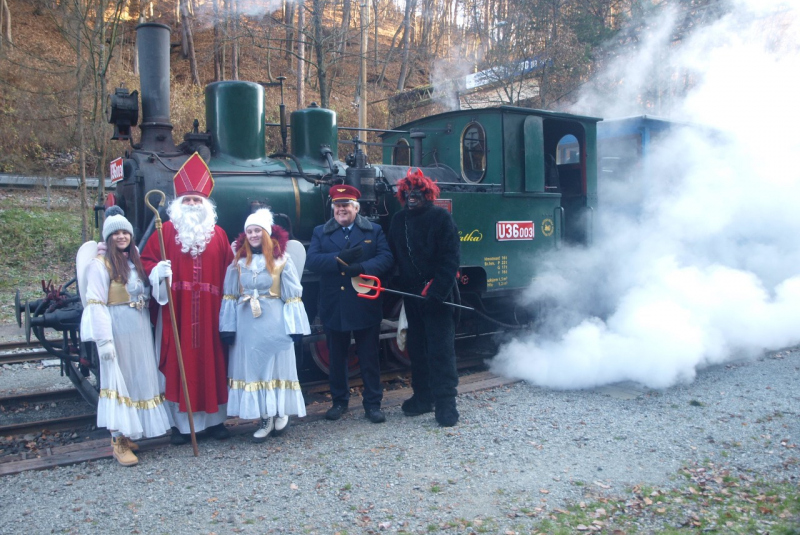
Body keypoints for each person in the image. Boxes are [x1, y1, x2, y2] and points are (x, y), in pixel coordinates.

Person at [141, 152, 234, 444]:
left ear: (206, 205)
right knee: (177, 365)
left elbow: (231, 272)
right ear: (178, 205)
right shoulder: (165, 231)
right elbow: (145, 261)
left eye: (197, 201)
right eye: (187, 201)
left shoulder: (218, 234)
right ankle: (182, 427)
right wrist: (157, 270)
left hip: (211, 314)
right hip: (176, 314)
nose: (192, 205)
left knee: (213, 364)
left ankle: (216, 422)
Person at [79, 206, 170, 466]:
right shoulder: (100, 265)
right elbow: (95, 303)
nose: (121, 237)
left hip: (139, 327)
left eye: (125, 232)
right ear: (108, 238)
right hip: (117, 327)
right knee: (118, 381)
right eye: (116, 233)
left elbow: (148, 293)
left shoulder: (134, 261)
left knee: (138, 378)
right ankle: (117, 441)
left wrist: (161, 278)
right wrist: (104, 340)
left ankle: (128, 433)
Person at [219, 208, 311, 442]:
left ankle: (279, 411)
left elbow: (292, 295)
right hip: (247, 322)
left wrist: (296, 327)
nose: (253, 235)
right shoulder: (238, 261)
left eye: (257, 230)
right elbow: (230, 294)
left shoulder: (282, 260)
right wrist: (227, 326)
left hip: (274, 319)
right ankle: (264, 417)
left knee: (275, 367)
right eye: (249, 231)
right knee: (255, 368)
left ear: (267, 233)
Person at [306, 185, 393, 423]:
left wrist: (363, 268)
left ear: (356, 207)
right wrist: (339, 261)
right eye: (337, 205)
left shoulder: (373, 230)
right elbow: (312, 260)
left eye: (345, 205)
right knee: (337, 357)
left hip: (364, 301)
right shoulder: (320, 232)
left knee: (369, 357)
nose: (341, 209)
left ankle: (373, 404)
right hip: (335, 303)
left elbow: (386, 257)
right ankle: (339, 402)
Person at [388, 168, 461, 427]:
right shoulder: (398, 221)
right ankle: (422, 397)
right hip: (411, 295)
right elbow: (394, 258)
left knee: (441, 351)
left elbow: (450, 258)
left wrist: (437, 291)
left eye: (417, 193)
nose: (411, 197)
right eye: (407, 193)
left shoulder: (441, 218)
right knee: (417, 349)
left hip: (438, 296)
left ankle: (446, 403)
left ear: (427, 194)